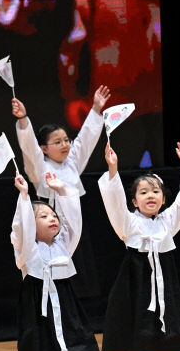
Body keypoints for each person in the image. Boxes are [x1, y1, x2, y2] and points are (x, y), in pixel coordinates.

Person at [98, 141, 180, 351]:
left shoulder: (168, 222)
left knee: (158, 344)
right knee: (131, 346)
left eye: (155, 191)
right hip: (134, 287)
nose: (150, 195)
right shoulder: (128, 223)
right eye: (143, 192)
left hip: (163, 287)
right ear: (134, 201)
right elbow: (114, 201)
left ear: (163, 198)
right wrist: (112, 169)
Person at [11, 172, 105, 351]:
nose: (52, 219)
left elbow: (74, 221)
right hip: (36, 314)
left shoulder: (64, 245)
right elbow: (21, 227)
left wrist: (62, 191)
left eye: (53, 215)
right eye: (43, 216)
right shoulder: (26, 250)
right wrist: (24, 196)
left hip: (64, 309)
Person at [11, 85, 110, 298]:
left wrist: (95, 110)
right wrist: (23, 119)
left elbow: (85, 141)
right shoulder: (39, 167)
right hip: (47, 222)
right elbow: (29, 149)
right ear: (44, 148)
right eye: (57, 142)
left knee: (79, 267)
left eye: (66, 140)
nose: (65, 145)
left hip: (73, 220)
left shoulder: (72, 162)